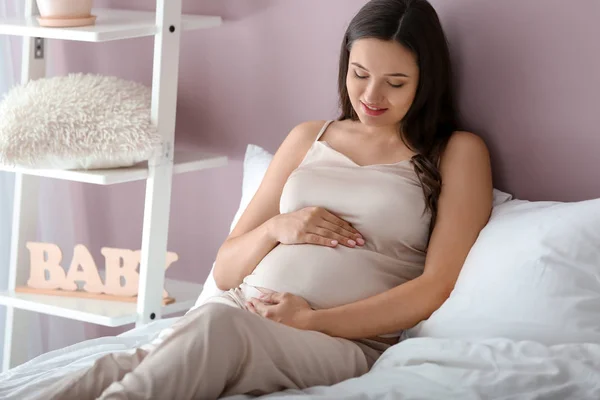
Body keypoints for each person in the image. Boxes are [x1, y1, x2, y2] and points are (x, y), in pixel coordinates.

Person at [43, 0, 492, 398]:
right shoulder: (307, 138)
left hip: (338, 341)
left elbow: (436, 286)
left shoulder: (457, 152)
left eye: (395, 83)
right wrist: (279, 226)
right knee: (114, 365)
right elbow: (225, 269)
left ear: (425, 82)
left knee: (216, 330)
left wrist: (313, 321)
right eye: (360, 74)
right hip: (239, 308)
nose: (371, 96)